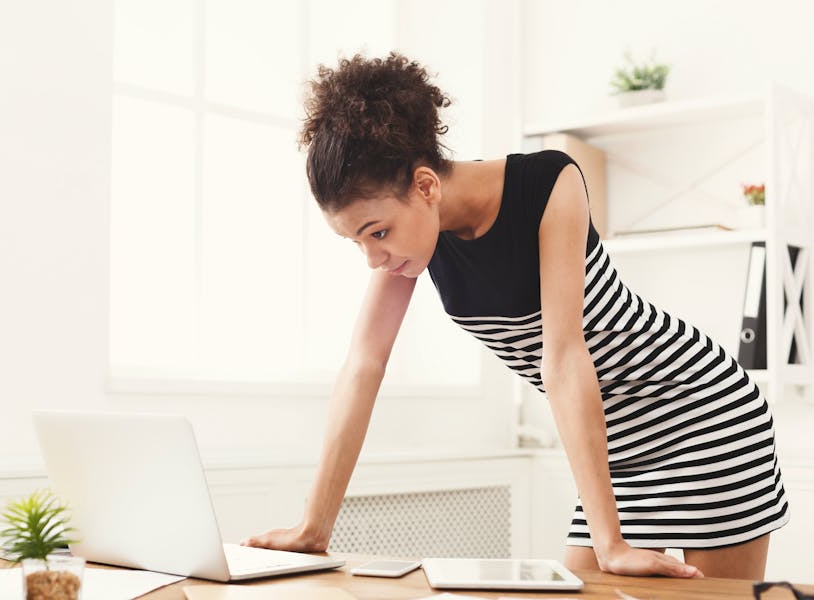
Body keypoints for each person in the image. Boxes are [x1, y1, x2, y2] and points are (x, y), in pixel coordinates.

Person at [242, 52, 789, 580]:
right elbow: (364, 365)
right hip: (612, 443)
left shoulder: (548, 185)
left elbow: (564, 356)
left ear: (425, 185)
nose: (373, 258)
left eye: (377, 232)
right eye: (356, 241)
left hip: (700, 414)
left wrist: (612, 542)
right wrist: (314, 526)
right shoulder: (411, 242)